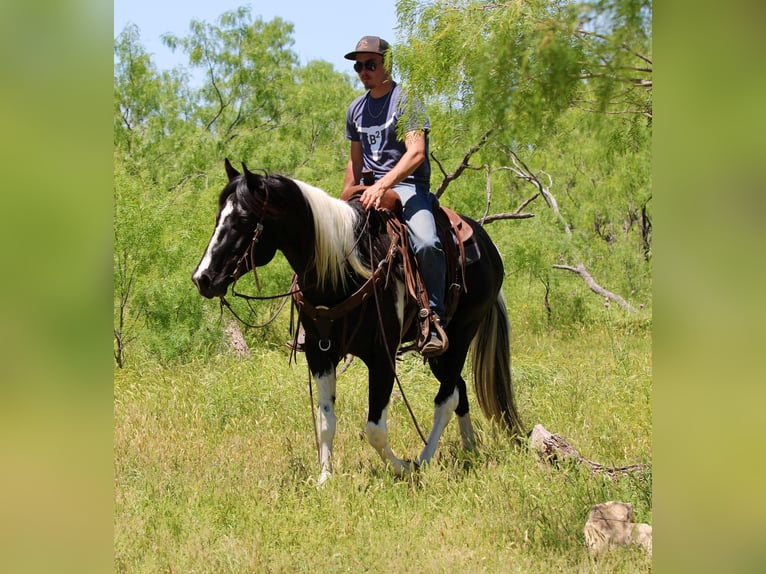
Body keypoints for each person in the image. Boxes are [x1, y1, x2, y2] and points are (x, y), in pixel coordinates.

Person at [343, 36, 448, 358]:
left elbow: (416, 153)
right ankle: (324, 318)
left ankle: (432, 316)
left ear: (387, 64)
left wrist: (383, 184)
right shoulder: (356, 110)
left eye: (370, 64)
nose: (364, 71)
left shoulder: (406, 100)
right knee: (330, 237)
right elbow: (355, 162)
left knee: (427, 242)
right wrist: (345, 197)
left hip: (407, 187)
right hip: (368, 190)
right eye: (359, 66)